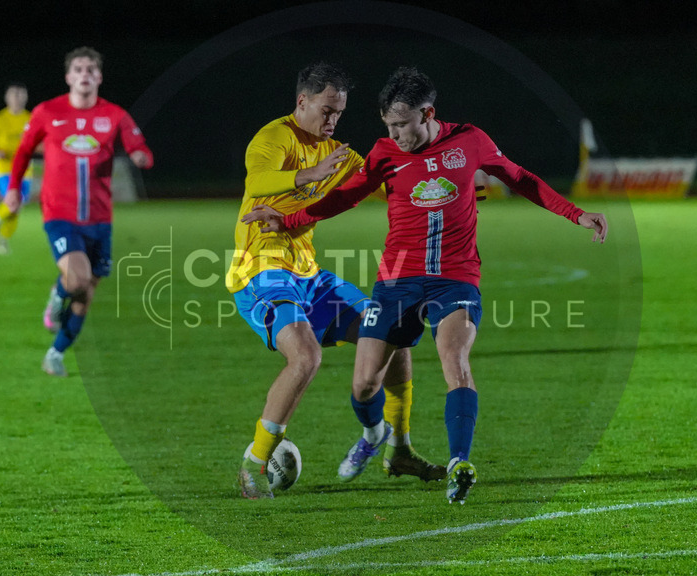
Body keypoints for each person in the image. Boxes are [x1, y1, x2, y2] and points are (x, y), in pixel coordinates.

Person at [243, 67, 608, 504]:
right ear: (303, 102)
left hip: (452, 277)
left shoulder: (468, 141)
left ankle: (443, 458)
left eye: (402, 124)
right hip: (365, 276)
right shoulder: (290, 140)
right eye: (388, 126)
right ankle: (377, 434)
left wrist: (575, 213)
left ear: (427, 113)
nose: (395, 135)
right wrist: (290, 214)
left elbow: (518, 177)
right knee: (358, 382)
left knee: (450, 358)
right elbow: (330, 193)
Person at [229, 62, 444, 500]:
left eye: (339, 114)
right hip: (260, 270)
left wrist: (440, 182)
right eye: (326, 111)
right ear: (301, 101)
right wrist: (307, 175)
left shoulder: (337, 153)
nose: (332, 121)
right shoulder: (274, 138)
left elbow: (382, 182)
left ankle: (397, 447)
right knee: (305, 357)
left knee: (393, 337)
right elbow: (257, 180)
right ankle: (253, 463)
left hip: (309, 274)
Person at [5, 46, 153, 376]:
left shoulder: (115, 115)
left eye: (90, 69)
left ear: (99, 77)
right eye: (78, 69)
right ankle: (57, 297)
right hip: (60, 214)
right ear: (68, 76)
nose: (84, 74)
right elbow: (24, 151)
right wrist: (14, 188)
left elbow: (138, 146)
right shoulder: (47, 112)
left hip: (100, 220)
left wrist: (141, 156)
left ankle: (55, 353)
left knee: (85, 295)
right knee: (77, 279)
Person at [0, 82, 33, 255]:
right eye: (14, 94)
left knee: (17, 206)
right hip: (4, 169)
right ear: (7, 97)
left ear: (26, 97)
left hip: (26, 170)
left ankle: (3, 238)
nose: (17, 98)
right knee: (12, 202)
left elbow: (41, 141)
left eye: (21, 94)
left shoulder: (31, 118)